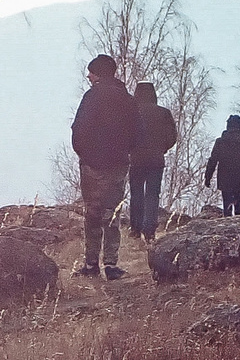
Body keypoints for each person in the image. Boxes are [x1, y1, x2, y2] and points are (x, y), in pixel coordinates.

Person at [70, 53, 137, 278]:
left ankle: (91, 265)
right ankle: (111, 264)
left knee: (92, 213)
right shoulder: (126, 99)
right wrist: (126, 152)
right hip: (118, 165)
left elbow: (77, 129)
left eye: (91, 71)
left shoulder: (91, 97)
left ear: (98, 74)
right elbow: (138, 131)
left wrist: (85, 155)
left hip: (92, 166)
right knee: (112, 213)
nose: (88, 75)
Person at [126, 80, 177, 241]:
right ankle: (149, 231)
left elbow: (124, 135)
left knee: (137, 194)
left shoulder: (131, 112)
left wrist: (129, 149)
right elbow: (172, 137)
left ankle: (135, 229)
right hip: (156, 159)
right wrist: (162, 148)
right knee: (153, 195)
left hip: (136, 159)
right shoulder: (164, 113)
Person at [203, 114, 240, 217]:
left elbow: (213, 161)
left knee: (227, 202)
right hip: (239, 179)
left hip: (224, 178)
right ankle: (238, 224)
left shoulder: (220, 142)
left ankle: (228, 223)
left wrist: (208, 177)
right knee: (238, 201)